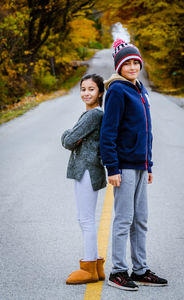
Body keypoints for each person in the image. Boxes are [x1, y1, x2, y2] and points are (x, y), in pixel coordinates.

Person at [100, 39, 168, 291]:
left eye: (135, 62)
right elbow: (109, 132)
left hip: (140, 165)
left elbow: (146, 130)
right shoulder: (118, 90)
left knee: (141, 219)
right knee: (124, 219)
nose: (131, 66)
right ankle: (118, 271)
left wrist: (148, 165)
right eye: (126, 63)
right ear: (118, 66)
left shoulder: (139, 89)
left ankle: (139, 269)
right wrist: (112, 168)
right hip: (125, 166)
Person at [61, 74, 107, 284]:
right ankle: (96, 267)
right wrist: (72, 136)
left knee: (86, 219)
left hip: (87, 170)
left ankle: (89, 266)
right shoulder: (92, 114)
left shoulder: (93, 115)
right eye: (83, 89)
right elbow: (73, 139)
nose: (86, 93)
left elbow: (69, 140)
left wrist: (68, 135)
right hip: (87, 170)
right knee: (86, 218)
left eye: (91, 89)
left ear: (100, 92)